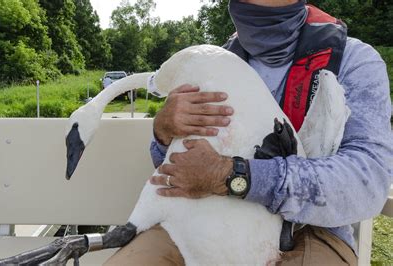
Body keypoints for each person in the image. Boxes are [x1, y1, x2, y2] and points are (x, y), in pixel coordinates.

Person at [104, 0, 392, 265]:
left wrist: (233, 175)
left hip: (311, 231)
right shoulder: (214, 64)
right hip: (203, 220)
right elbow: (179, 172)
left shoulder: (354, 61)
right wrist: (164, 132)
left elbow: (368, 181)